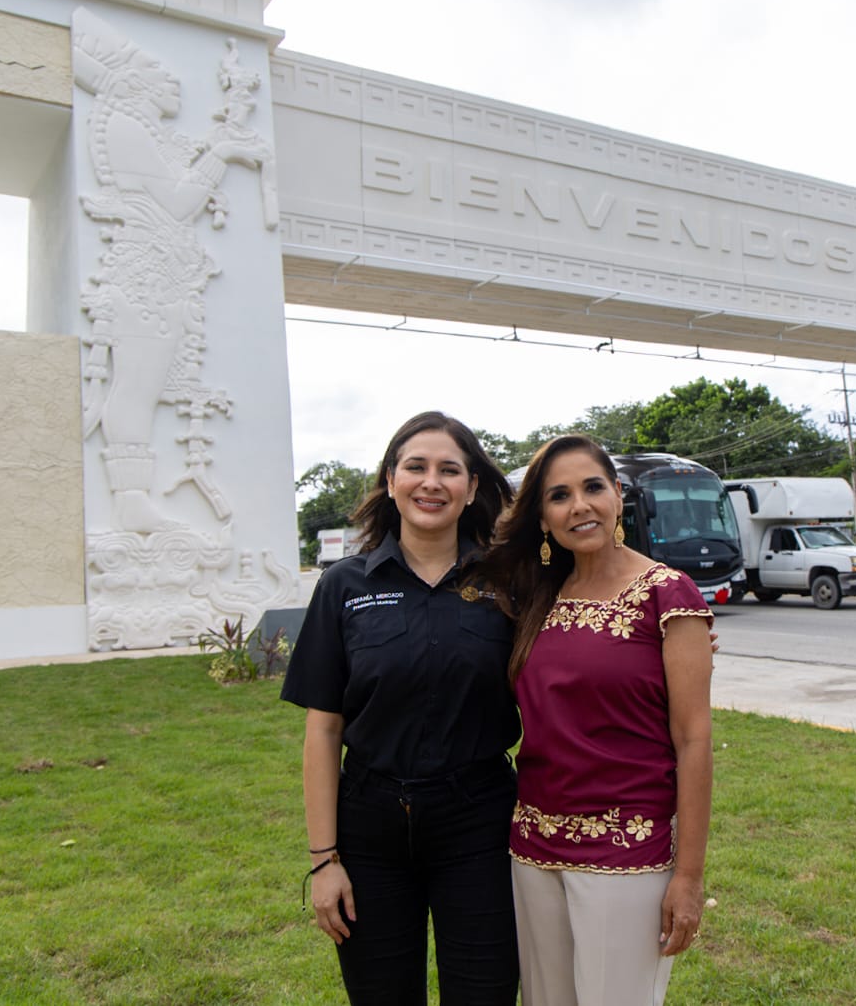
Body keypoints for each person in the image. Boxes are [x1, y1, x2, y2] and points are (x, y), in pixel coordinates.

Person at [280, 411, 520, 1004]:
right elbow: (322, 730)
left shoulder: (511, 586)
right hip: (370, 830)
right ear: (391, 481)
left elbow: (582, 647)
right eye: (415, 467)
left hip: (480, 824)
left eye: (449, 470)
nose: (431, 482)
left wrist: (671, 636)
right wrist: (323, 861)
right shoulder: (344, 585)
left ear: (471, 489)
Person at [480, 434, 715, 1006]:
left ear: (617, 496)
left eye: (592, 487)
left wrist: (687, 878)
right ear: (541, 518)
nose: (579, 505)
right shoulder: (536, 597)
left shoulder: (667, 595)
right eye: (558, 496)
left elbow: (694, 740)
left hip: (626, 853)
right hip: (532, 846)